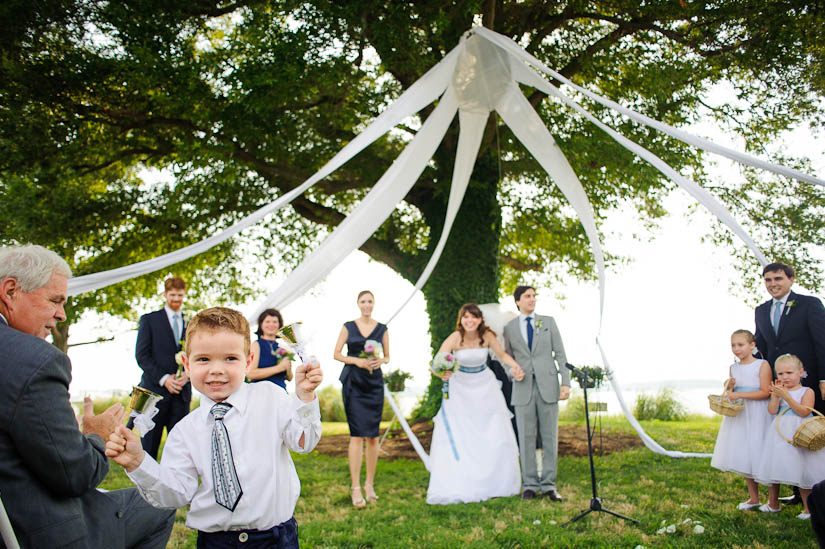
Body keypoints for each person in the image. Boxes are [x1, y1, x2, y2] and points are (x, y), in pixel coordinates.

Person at [0, 244, 174, 548]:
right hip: (41, 530)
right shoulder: (33, 360)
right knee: (159, 504)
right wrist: (95, 437)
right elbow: (75, 476)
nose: (61, 314)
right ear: (11, 291)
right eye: (55, 300)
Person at [106, 307, 323, 547]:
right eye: (203, 359)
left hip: (275, 538)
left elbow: (304, 442)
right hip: (216, 541)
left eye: (230, 358)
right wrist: (139, 463)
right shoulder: (185, 431)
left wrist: (304, 398)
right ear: (187, 365)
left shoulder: (271, 397)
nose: (216, 369)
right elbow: (176, 492)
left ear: (248, 361)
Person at [426, 303, 525, 505]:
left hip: (485, 387)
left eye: (473, 317)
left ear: (480, 320)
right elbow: (436, 362)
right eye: (465, 317)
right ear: (461, 320)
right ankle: (462, 478)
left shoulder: (487, 336)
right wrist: (442, 374)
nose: (469, 321)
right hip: (460, 389)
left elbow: (502, 355)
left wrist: (515, 366)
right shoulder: (455, 338)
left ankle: (496, 481)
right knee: (462, 431)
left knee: (493, 430)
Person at [754, 262, 825, 505]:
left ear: (791, 279)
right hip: (781, 384)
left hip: (809, 382)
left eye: (778, 278)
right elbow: (762, 348)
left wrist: (824, 377)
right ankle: (798, 492)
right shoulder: (761, 310)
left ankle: (819, 492)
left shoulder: (809, 304)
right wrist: (744, 370)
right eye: (768, 280)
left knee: (813, 437)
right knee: (788, 437)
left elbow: (822, 341)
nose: (773, 284)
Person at [503, 285, 570, 501]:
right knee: (526, 436)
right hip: (523, 389)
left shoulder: (548, 322)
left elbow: (560, 354)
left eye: (534, 296)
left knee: (550, 436)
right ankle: (530, 484)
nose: (532, 299)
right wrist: (513, 372)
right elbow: (507, 357)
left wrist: (565, 382)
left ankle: (549, 484)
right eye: (527, 296)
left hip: (548, 385)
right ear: (517, 301)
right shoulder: (510, 328)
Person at [333, 290, 390, 508]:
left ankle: (369, 484)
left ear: (374, 304)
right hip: (354, 384)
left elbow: (388, 355)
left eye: (370, 301)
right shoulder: (348, 326)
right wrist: (357, 361)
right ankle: (355, 487)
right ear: (358, 303)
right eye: (363, 301)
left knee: (373, 436)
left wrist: (380, 361)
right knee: (357, 435)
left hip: (374, 383)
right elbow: (336, 353)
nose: (367, 305)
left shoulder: (382, 328)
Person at [754, 354, 825, 519]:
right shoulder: (779, 391)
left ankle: (808, 508)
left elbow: (804, 411)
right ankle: (773, 503)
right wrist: (776, 396)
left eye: (789, 372)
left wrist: (787, 397)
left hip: (800, 433)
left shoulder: (807, 391)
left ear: (801, 373)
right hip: (779, 433)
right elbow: (772, 411)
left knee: (803, 468)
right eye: (780, 374)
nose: (785, 377)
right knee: (775, 465)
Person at [710, 329, 772, 510]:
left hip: (758, 413)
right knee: (746, 452)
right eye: (733, 345)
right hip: (741, 414)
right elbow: (731, 393)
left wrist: (739, 394)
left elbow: (765, 392)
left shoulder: (762, 365)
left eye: (740, 345)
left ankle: (773, 500)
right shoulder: (733, 368)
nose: (736, 349)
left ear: (752, 345)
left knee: (761, 451)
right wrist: (729, 388)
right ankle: (753, 498)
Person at [134, 276, 192, 459]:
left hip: (181, 395)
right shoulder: (149, 320)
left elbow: (198, 354)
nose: (176, 299)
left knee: (180, 450)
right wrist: (165, 378)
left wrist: (188, 376)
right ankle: (145, 488)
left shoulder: (192, 322)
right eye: (172, 295)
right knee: (149, 447)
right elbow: (142, 356)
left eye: (180, 295)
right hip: (154, 393)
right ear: (165, 294)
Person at [248, 308, 293, 390]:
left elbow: (289, 378)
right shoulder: (256, 345)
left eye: (275, 322)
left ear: (279, 325)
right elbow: (250, 374)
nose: (271, 325)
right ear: (261, 324)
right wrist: (280, 368)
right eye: (267, 321)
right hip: (261, 392)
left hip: (281, 393)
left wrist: (288, 367)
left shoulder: (282, 347)